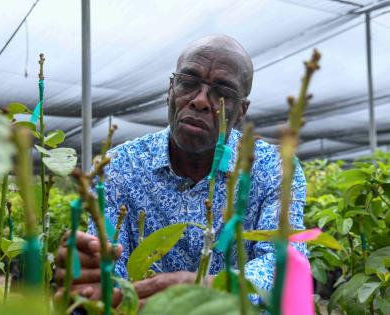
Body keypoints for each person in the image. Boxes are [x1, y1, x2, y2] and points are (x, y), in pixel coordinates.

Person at [55, 34, 306, 307]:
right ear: (170, 89)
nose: (200, 101)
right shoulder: (119, 166)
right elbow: (112, 273)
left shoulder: (273, 169)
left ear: (241, 111)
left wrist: (206, 290)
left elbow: (286, 264)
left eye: (222, 93)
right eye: (188, 83)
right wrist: (91, 278)